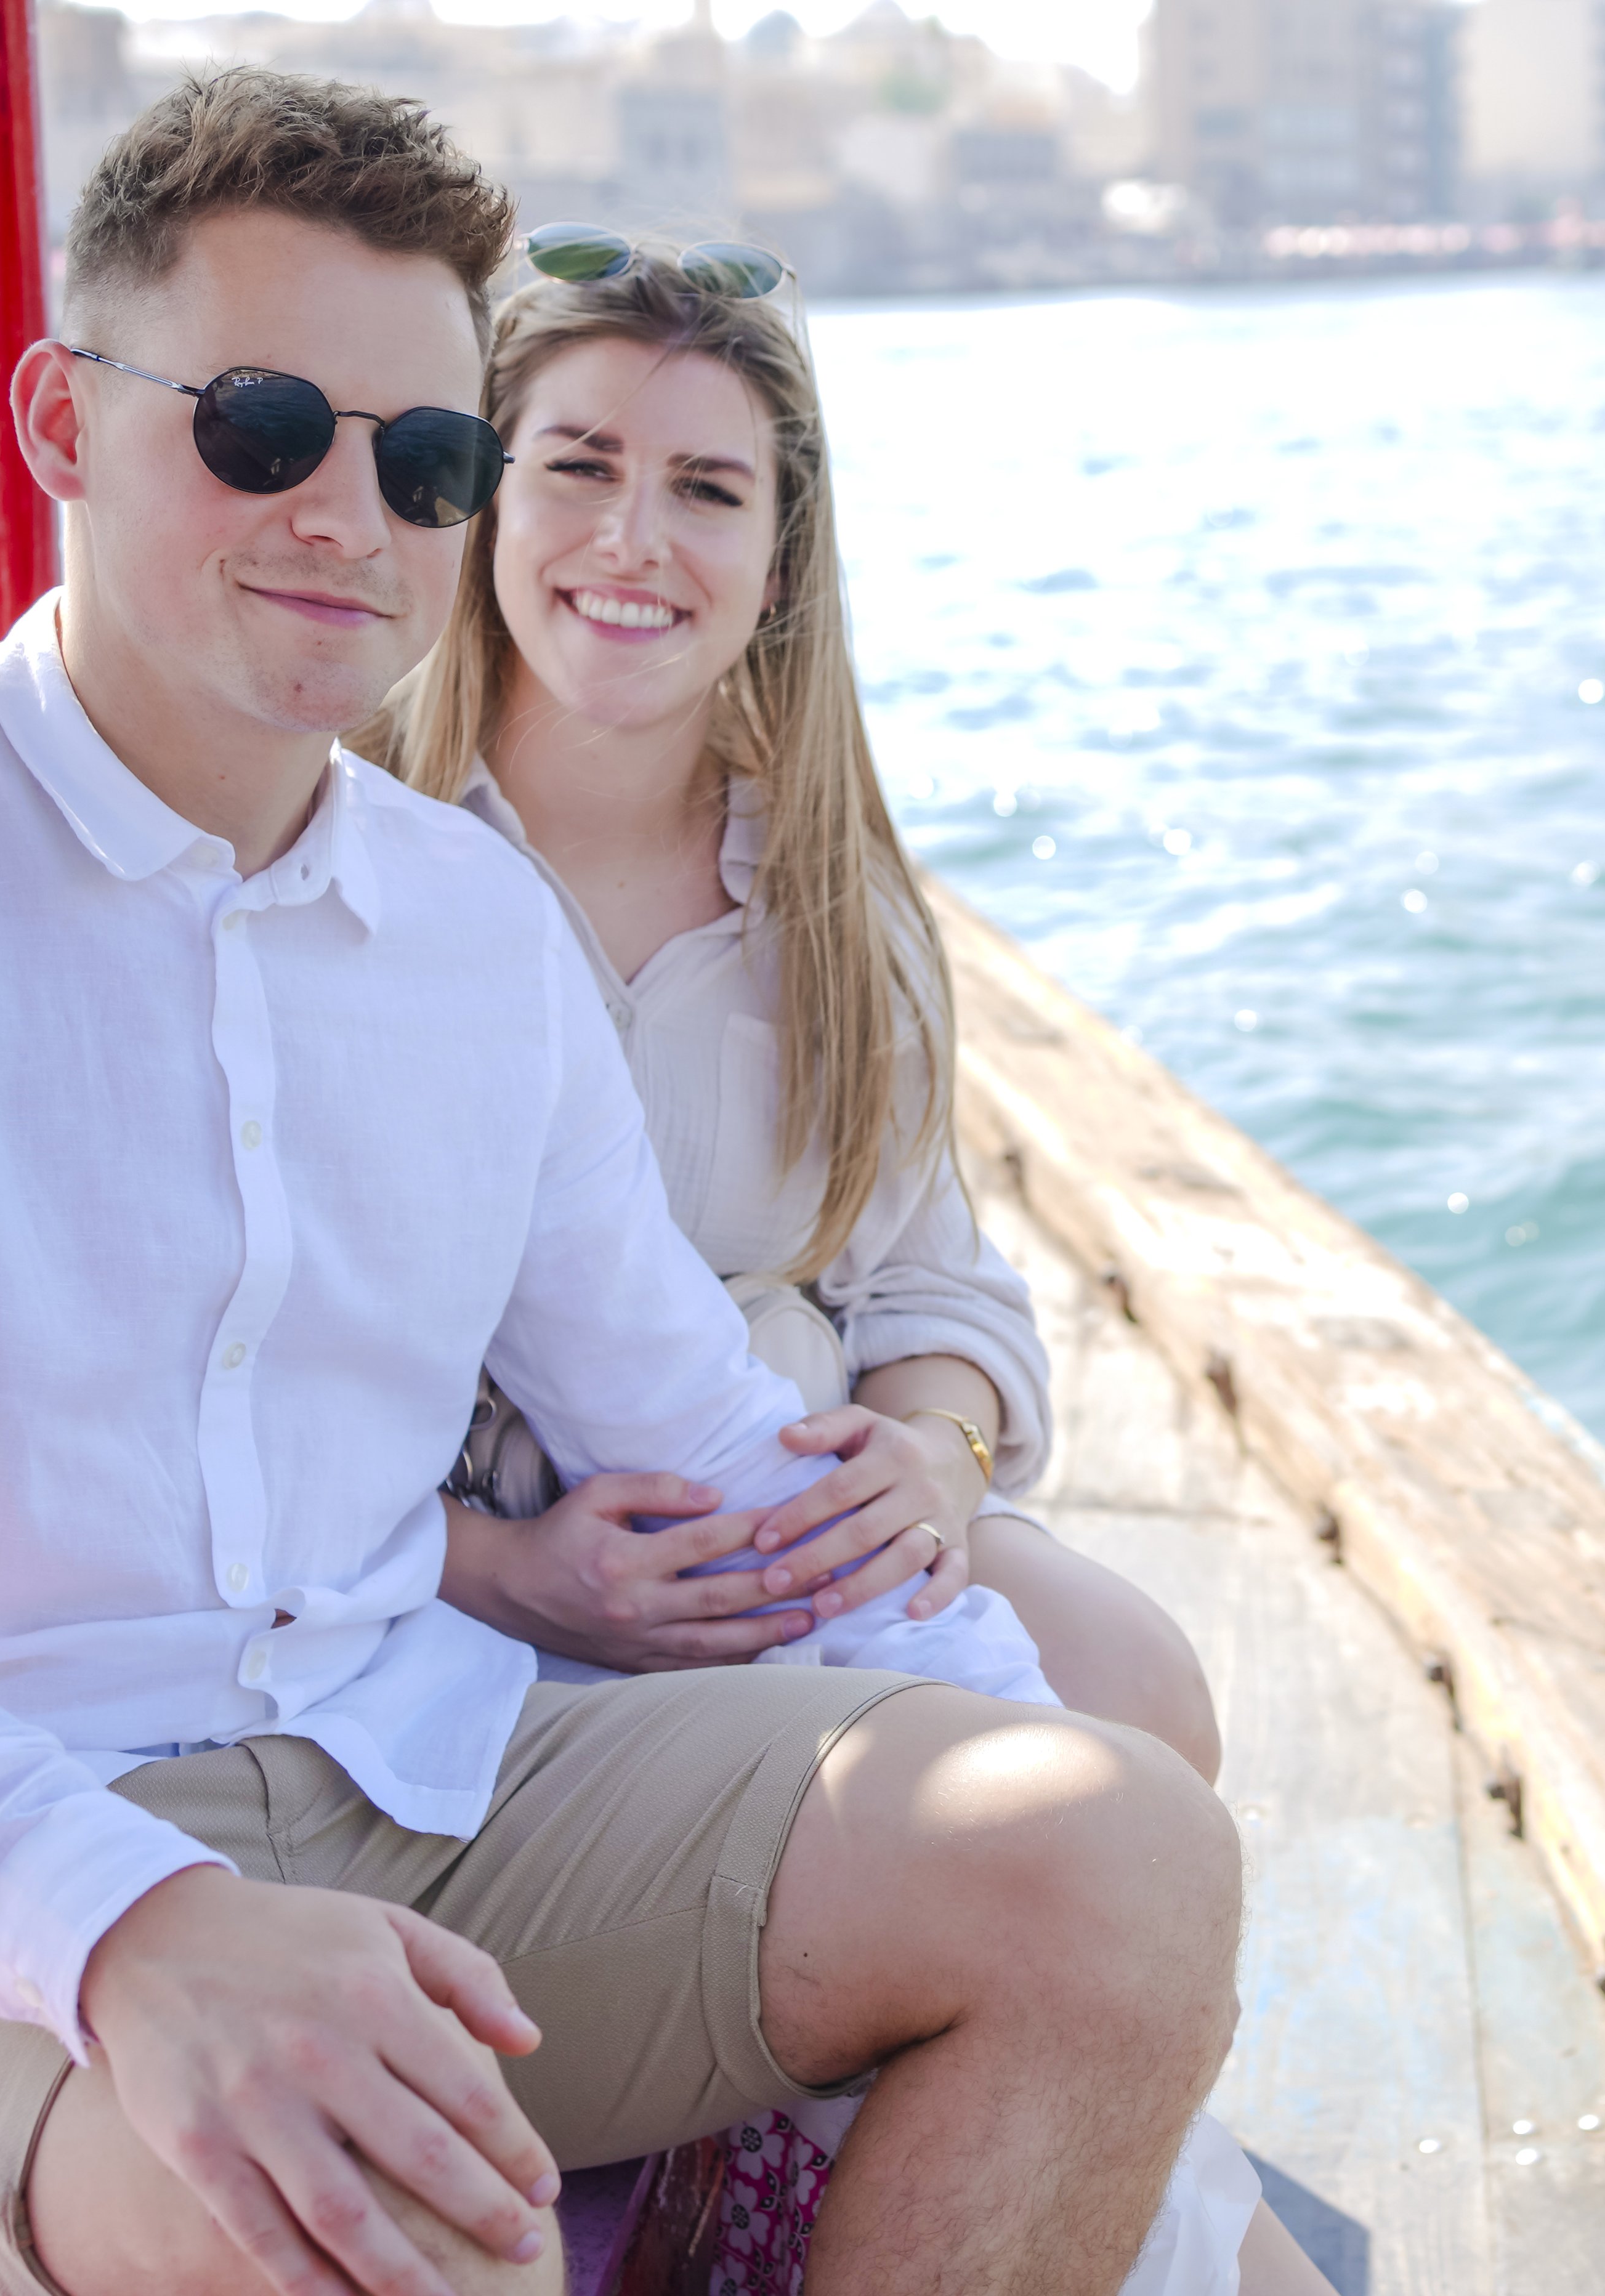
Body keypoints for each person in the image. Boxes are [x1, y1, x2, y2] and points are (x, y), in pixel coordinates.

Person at [0, 70, 1241, 2296]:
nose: (348, 515)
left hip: (408, 1772)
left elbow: (700, 1415)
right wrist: (132, 1927)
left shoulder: (468, 926)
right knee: (376, 2216)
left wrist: (992, 1685)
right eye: (263, 422)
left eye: (427, 459)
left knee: (1118, 1852)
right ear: (63, 418)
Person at [359, 240, 1220, 1769]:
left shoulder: (832, 902)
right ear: (483, 490)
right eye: (580, 465)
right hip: (451, 1576)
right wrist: (504, 1572)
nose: (634, 539)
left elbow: (932, 1293)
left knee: (1143, 1698)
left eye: (707, 488)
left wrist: (938, 1466)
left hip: (787, 1533)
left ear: (777, 561)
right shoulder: (345, 843)